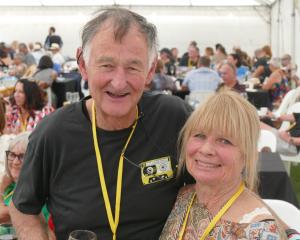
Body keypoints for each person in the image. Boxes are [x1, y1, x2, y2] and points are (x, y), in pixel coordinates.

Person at [9, 8, 191, 240]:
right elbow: (24, 208)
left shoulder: (174, 118)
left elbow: (215, 187)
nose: (118, 82)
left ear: (150, 70)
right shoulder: (53, 133)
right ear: (83, 65)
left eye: (133, 67)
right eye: (106, 65)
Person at [160, 90, 286, 240]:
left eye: (225, 141)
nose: (206, 149)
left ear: (246, 155)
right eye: (199, 136)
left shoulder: (260, 232)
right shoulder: (183, 196)